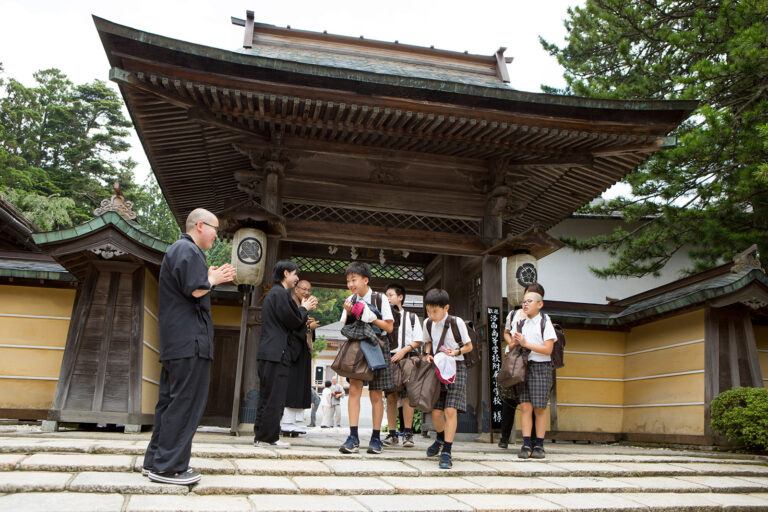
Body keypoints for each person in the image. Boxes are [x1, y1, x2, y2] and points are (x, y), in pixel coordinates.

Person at [143, 208, 236, 485]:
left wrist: (208, 276)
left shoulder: (179, 250)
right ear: (199, 226)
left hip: (176, 342)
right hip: (190, 342)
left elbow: (192, 284)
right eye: (214, 229)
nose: (216, 235)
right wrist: (213, 280)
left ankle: (155, 461)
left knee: (170, 403)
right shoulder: (188, 250)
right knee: (185, 403)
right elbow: (195, 289)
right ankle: (169, 467)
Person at [254, 260, 318, 448]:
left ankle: (261, 435)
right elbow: (293, 321)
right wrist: (304, 308)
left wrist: (302, 311)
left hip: (268, 351)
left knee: (266, 396)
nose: (297, 279)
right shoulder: (280, 294)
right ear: (285, 274)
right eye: (295, 275)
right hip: (277, 352)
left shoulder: (275, 294)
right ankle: (269, 437)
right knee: (275, 396)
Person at [338, 262, 394, 455]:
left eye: (354, 280)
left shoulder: (380, 299)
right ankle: (353, 437)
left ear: (365, 280)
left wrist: (370, 317)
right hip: (356, 346)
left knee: (376, 394)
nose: (351, 284)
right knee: (354, 389)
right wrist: (348, 312)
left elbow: (388, 328)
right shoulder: (349, 299)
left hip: (376, 346)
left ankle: (376, 437)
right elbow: (344, 328)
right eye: (348, 281)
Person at [423, 288, 473, 470]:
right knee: (436, 412)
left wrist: (457, 352)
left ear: (446, 308)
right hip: (438, 367)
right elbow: (428, 341)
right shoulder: (428, 323)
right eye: (428, 311)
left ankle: (447, 451)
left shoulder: (456, 322)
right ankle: (440, 438)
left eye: (435, 311)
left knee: (450, 410)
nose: (431, 315)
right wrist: (427, 354)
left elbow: (469, 346)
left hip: (457, 367)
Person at [511, 289, 557, 459]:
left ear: (540, 304)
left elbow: (548, 349)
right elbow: (511, 347)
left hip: (541, 366)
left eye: (530, 301)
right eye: (524, 301)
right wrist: (515, 343)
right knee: (525, 406)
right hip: (523, 366)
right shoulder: (519, 323)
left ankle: (539, 444)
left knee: (539, 408)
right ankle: (525, 443)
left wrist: (526, 343)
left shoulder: (545, 322)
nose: (525, 304)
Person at [499, 283, 545, 449]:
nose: (527, 301)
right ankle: (504, 436)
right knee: (508, 398)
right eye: (527, 295)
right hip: (513, 359)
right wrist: (511, 342)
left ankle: (533, 440)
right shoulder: (513, 314)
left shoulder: (541, 319)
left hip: (531, 361)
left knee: (532, 402)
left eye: (532, 296)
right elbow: (506, 331)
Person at [382, 282, 423, 448]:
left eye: (390, 295)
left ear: (400, 297)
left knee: (407, 397)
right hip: (389, 359)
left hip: (407, 358)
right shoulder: (383, 318)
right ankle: (392, 434)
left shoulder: (411, 317)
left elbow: (418, 339)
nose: (388, 298)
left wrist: (404, 351)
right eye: (386, 296)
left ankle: (408, 433)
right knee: (390, 397)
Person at [281, 280, 319, 434]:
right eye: (304, 289)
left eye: (309, 290)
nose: (307, 293)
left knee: (301, 385)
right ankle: (286, 422)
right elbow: (290, 327)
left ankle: (296, 421)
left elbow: (302, 326)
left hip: (302, 350)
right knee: (291, 386)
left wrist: (309, 326)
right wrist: (308, 326)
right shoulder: (290, 304)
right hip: (291, 350)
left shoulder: (303, 307)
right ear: (296, 289)